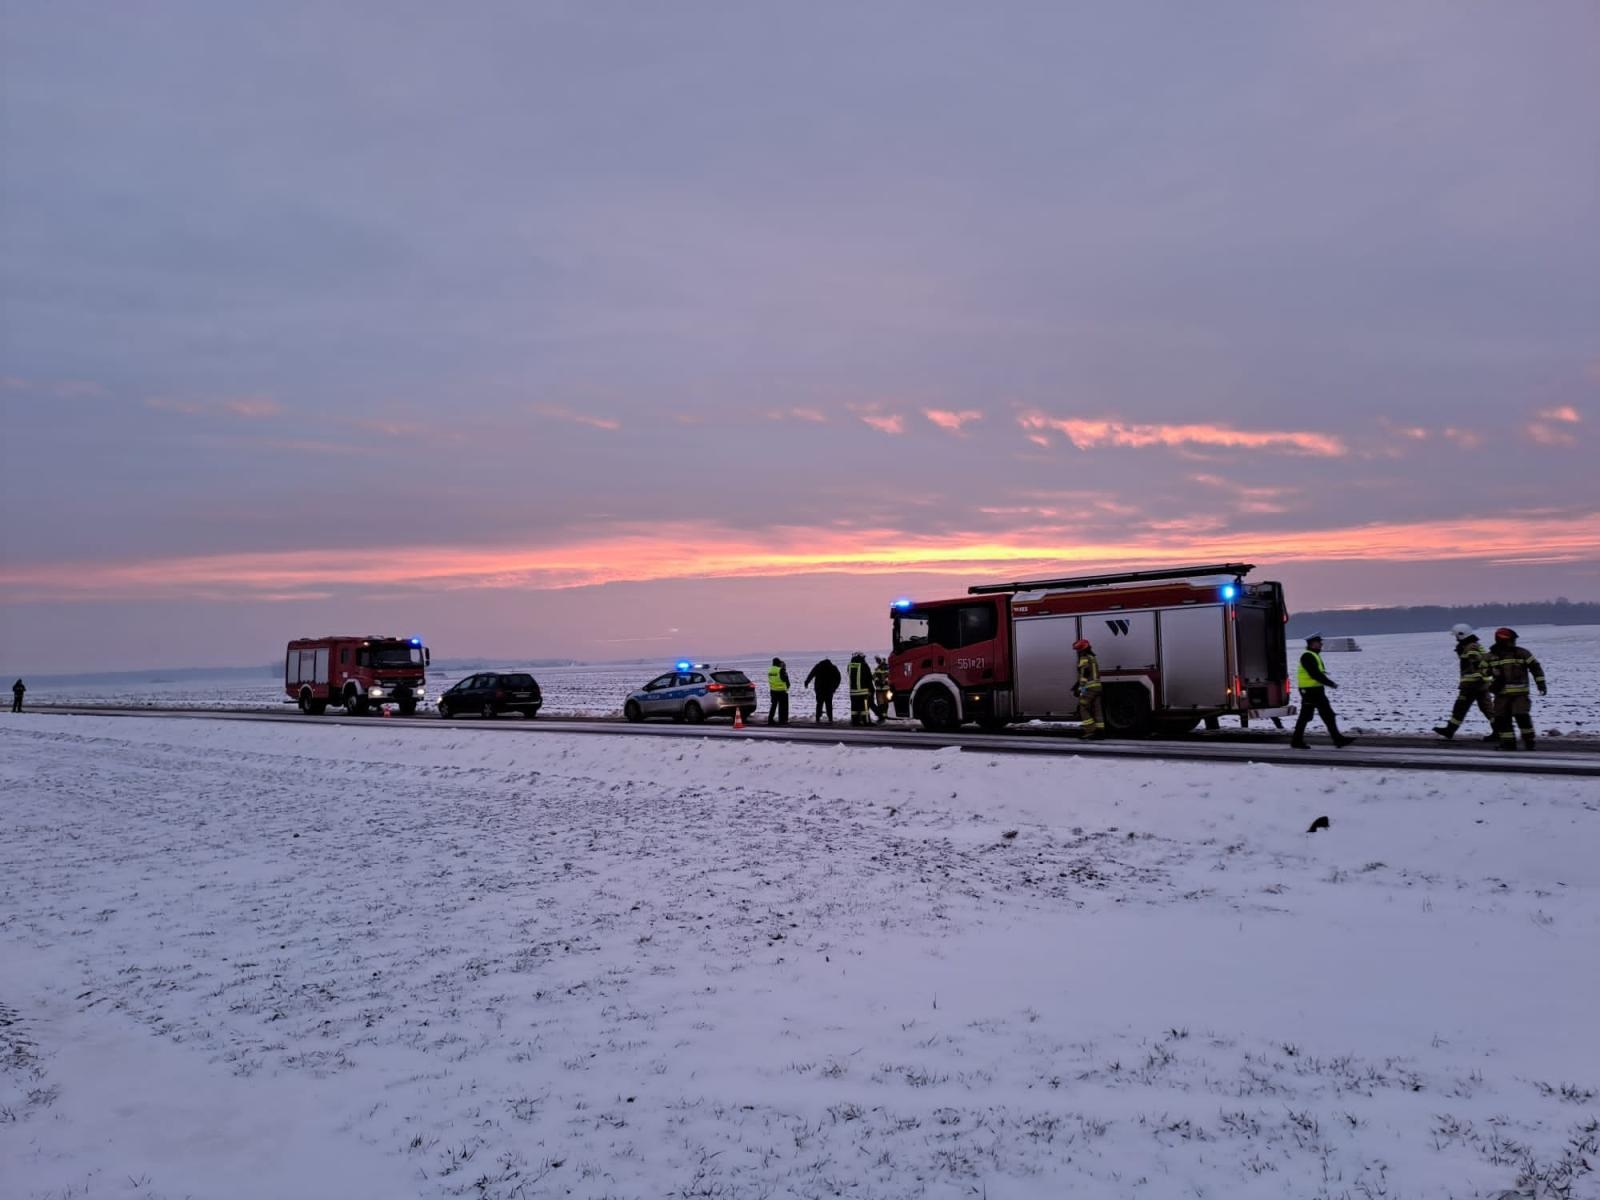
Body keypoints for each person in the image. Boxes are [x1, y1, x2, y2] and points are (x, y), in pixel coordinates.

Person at [1290, 633, 1355, 749]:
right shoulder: (1307, 656)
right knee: (1318, 715)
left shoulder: (1313, 655)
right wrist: (1330, 683)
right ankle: (1337, 739)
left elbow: (1317, 673)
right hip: (1310, 691)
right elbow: (1314, 673)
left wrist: (1326, 682)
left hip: (1315, 690)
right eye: (1319, 642)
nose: (1321, 644)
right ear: (1312, 644)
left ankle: (1337, 739)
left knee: (1321, 715)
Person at [1487, 627, 1546, 751]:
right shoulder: (1491, 655)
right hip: (1501, 694)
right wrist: (1491, 678)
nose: (1513, 643)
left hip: (1520, 694)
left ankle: (1529, 742)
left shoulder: (1522, 653)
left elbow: (1535, 667)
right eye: (1511, 640)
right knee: (1502, 719)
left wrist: (1541, 683)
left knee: (1521, 716)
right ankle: (1508, 744)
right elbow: (1482, 671)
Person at [1433, 624, 1493, 740]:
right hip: (1479, 683)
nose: (1455, 638)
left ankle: (1450, 730)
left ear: (1461, 635)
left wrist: (1476, 675)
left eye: (1456, 636)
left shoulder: (1470, 646)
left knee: (1460, 707)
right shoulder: (1473, 645)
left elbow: (1474, 659)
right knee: (1486, 708)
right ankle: (1499, 731)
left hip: (1472, 684)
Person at [1072, 638, 1104, 738]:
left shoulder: (1084, 658)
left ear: (1082, 649)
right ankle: (1100, 731)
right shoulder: (1092, 657)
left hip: (1089, 688)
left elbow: (1085, 673)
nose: (1078, 652)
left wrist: (1080, 689)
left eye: (1078, 650)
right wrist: (1076, 685)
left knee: (1083, 708)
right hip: (1097, 687)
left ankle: (1090, 731)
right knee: (1097, 709)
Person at [803, 657, 841, 725]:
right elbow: (838, 678)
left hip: (819, 689)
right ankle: (830, 719)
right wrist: (835, 687)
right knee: (829, 704)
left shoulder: (818, 666)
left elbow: (811, 674)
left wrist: (806, 682)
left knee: (819, 704)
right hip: (829, 690)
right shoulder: (833, 667)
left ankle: (818, 719)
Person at [847, 652, 872, 726]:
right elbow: (869, 678)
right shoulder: (864, 665)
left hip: (853, 692)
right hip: (862, 692)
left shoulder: (850, 665)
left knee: (854, 709)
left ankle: (855, 721)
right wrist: (871, 689)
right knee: (864, 708)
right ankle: (866, 721)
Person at [766, 656, 790, 725]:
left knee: (773, 706)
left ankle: (770, 719)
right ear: (778, 663)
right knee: (783, 706)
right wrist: (784, 669)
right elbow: (785, 679)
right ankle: (782, 720)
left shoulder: (770, 670)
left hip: (773, 690)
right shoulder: (780, 670)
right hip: (781, 690)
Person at [871, 656, 891, 723]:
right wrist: (877, 681)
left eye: (878, 660)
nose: (877, 661)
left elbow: (888, 676)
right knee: (882, 703)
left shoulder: (886, 668)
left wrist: (881, 681)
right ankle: (883, 716)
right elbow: (874, 676)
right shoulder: (880, 668)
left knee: (884, 703)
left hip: (883, 689)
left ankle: (883, 717)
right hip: (881, 689)